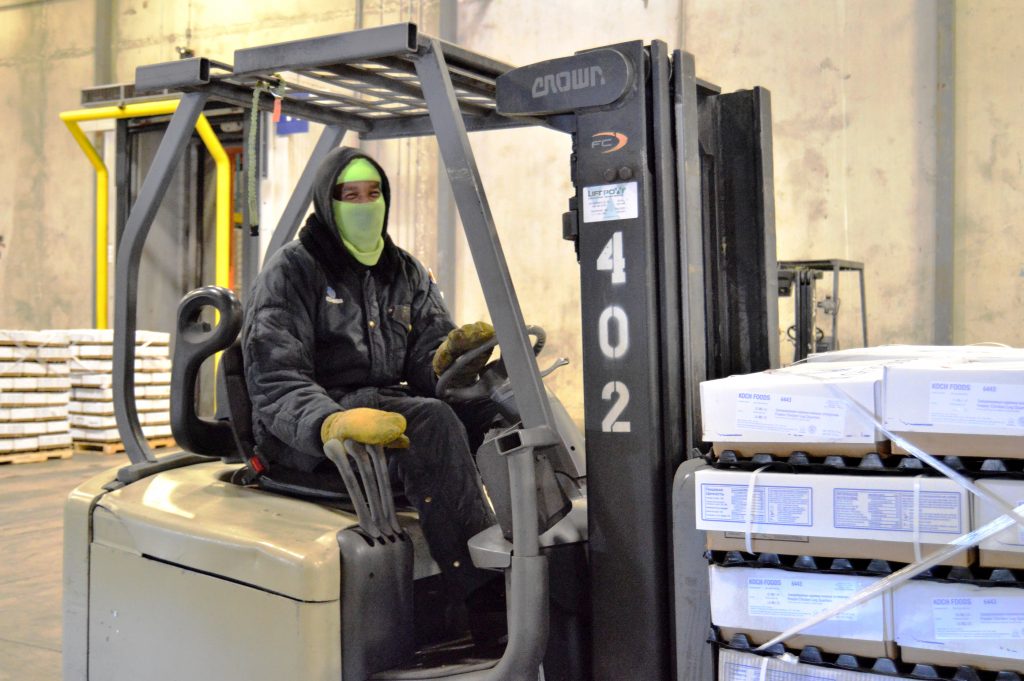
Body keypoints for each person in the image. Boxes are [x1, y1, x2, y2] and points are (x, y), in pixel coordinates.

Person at [242, 146, 503, 639]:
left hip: (379, 405)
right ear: (329, 202)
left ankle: (535, 552)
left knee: (495, 411)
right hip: (312, 427)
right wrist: (327, 422)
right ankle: (483, 598)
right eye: (351, 196)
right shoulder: (293, 271)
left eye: (373, 193)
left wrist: (447, 357)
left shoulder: (402, 270)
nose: (364, 205)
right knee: (431, 422)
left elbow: (428, 362)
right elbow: (276, 381)